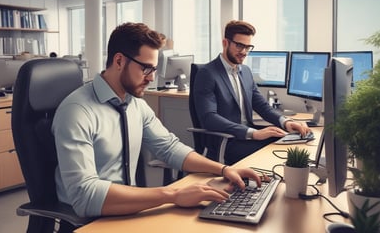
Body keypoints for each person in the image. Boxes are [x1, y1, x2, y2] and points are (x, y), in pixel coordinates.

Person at [52, 22, 262, 218]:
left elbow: (169, 148)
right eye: (146, 68)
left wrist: (224, 169)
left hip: (129, 210)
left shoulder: (134, 104)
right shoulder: (77, 111)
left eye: (154, 69)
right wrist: (172, 195)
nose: (152, 78)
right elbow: (84, 195)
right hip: (93, 219)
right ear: (118, 61)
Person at [193, 20, 311, 165]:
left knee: (290, 140)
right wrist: (253, 133)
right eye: (239, 45)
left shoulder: (246, 72)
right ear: (225, 43)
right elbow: (209, 118)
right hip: (227, 141)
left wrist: (285, 122)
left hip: (247, 136)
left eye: (248, 47)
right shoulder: (207, 73)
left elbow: (262, 106)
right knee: (275, 152)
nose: (244, 52)